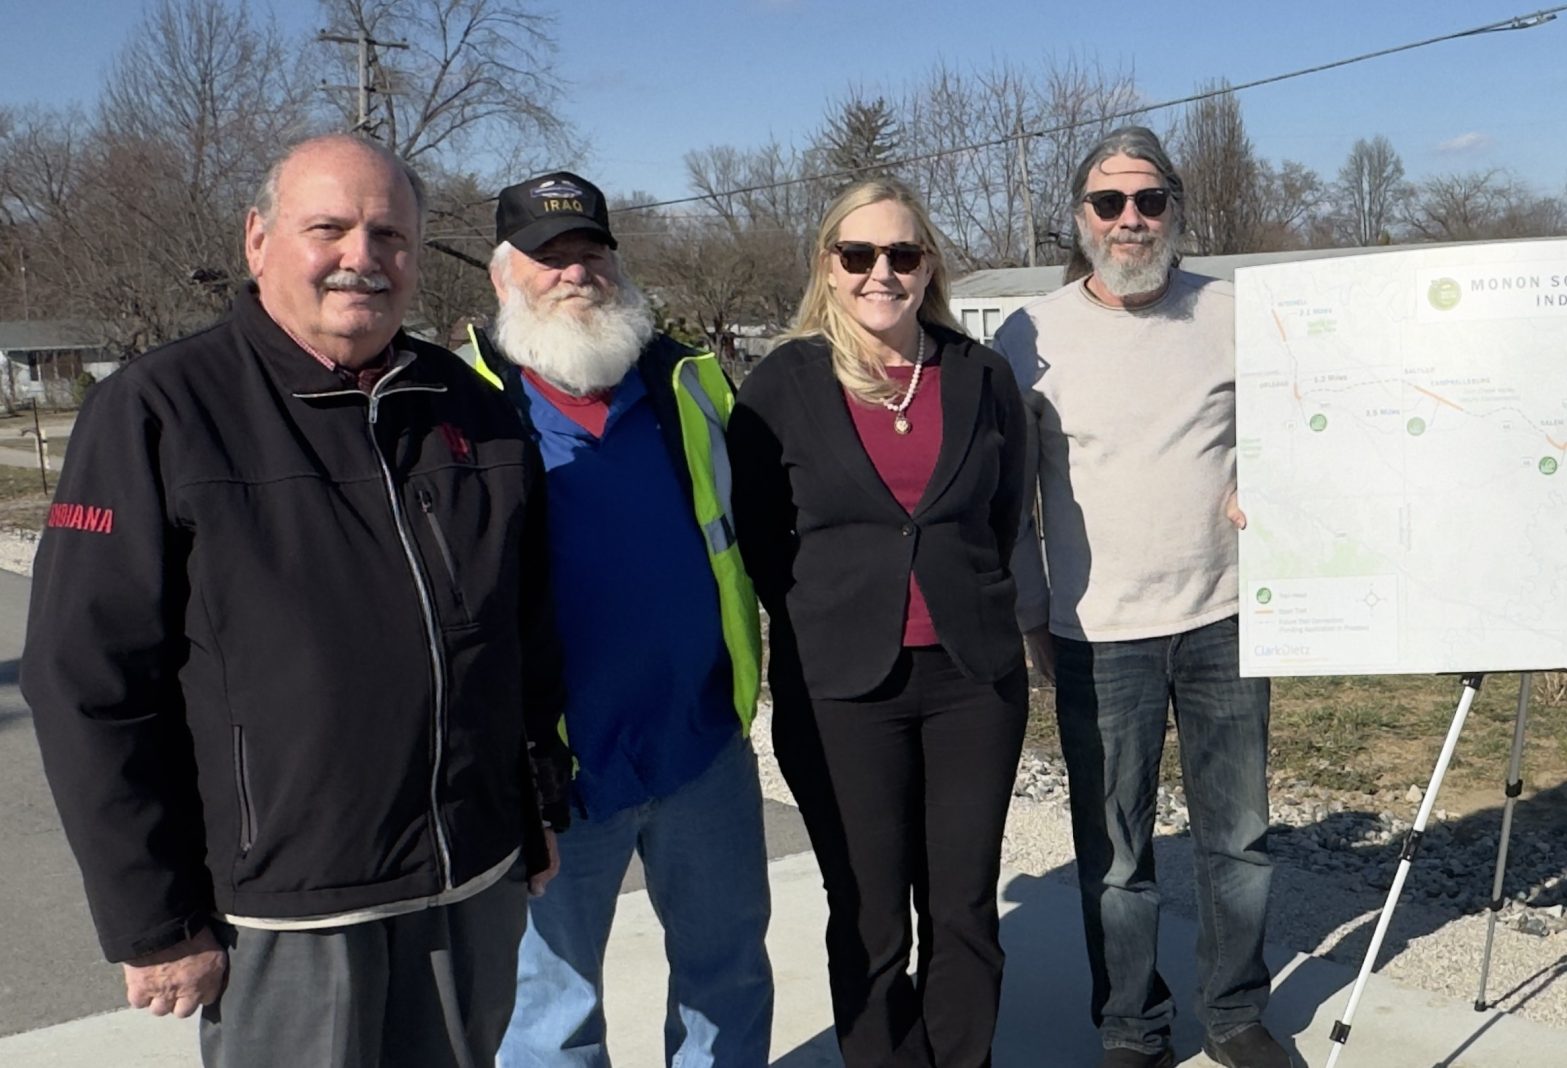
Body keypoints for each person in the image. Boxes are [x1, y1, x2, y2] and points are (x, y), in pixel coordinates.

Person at [23, 133, 571, 1068]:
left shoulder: (467, 406)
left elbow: (520, 635)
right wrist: (153, 919)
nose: (363, 258)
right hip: (289, 910)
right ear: (258, 239)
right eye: (331, 228)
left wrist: (533, 804)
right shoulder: (162, 412)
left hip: (467, 878)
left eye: (390, 235)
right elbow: (87, 682)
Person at [454, 171, 774, 1067]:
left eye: (590, 251)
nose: (574, 272)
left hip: (698, 747)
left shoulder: (687, 383)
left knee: (728, 979)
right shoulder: (464, 409)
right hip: (553, 778)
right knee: (551, 1014)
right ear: (502, 274)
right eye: (548, 256)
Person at [992, 126, 1287, 1068]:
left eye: (1148, 201)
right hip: (1096, 633)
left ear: (1176, 211)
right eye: (1109, 203)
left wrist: (1275, 478)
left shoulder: (1236, 313)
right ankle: (1131, 1025)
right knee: (1115, 855)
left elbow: (1322, 420)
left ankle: (1236, 1014)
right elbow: (1013, 498)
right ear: (1078, 217)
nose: (1130, 219)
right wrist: (1031, 613)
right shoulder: (1028, 336)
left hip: (1225, 617)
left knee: (1238, 839)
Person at [729, 178, 1031, 1068]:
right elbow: (760, 538)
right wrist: (840, 604)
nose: (881, 273)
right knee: (866, 914)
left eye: (902, 254)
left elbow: (1001, 514)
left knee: (963, 904)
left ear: (927, 264)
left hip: (971, 680)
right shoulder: (782, 383)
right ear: (828, 266)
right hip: (841, 688)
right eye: (857, 255)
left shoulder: (979, 375)